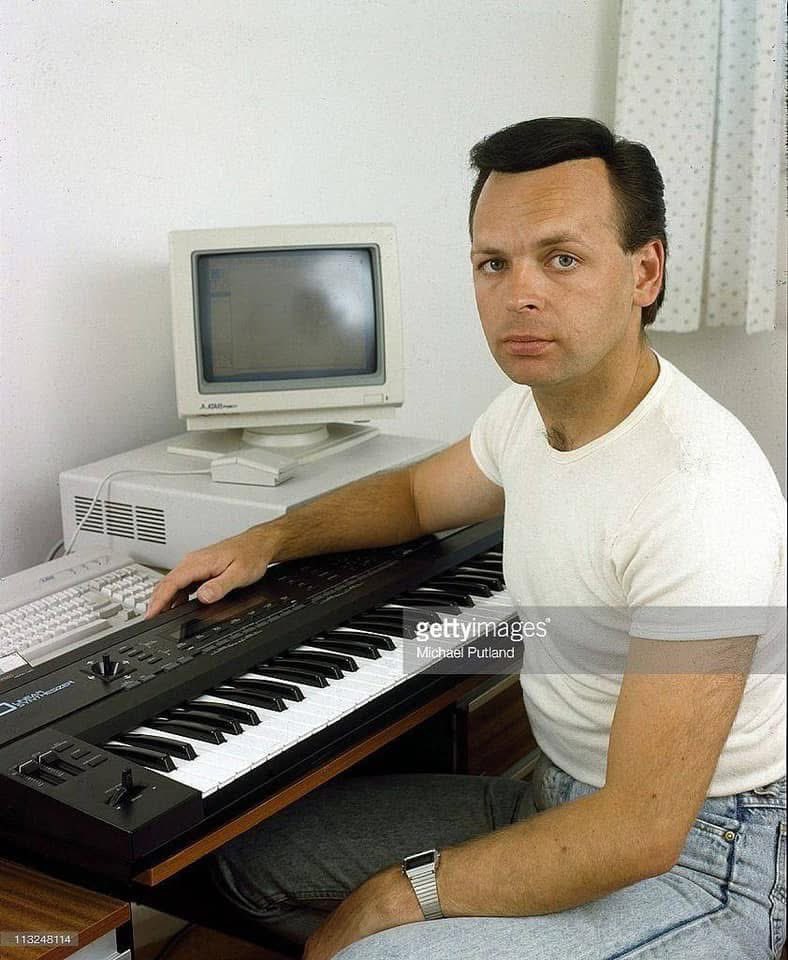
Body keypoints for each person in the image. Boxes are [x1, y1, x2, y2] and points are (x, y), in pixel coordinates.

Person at [146, 118, 786, 960]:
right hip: (554, 803)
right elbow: (416, 494)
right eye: (494, 262)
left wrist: (399, 894)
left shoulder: (701, 491)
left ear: (644, 271)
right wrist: (273, 536)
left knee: (379, 945)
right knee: (244, 864)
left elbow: (638, 831)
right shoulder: (529, 414)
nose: (520, 292)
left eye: (561, 258)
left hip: (705, 859)